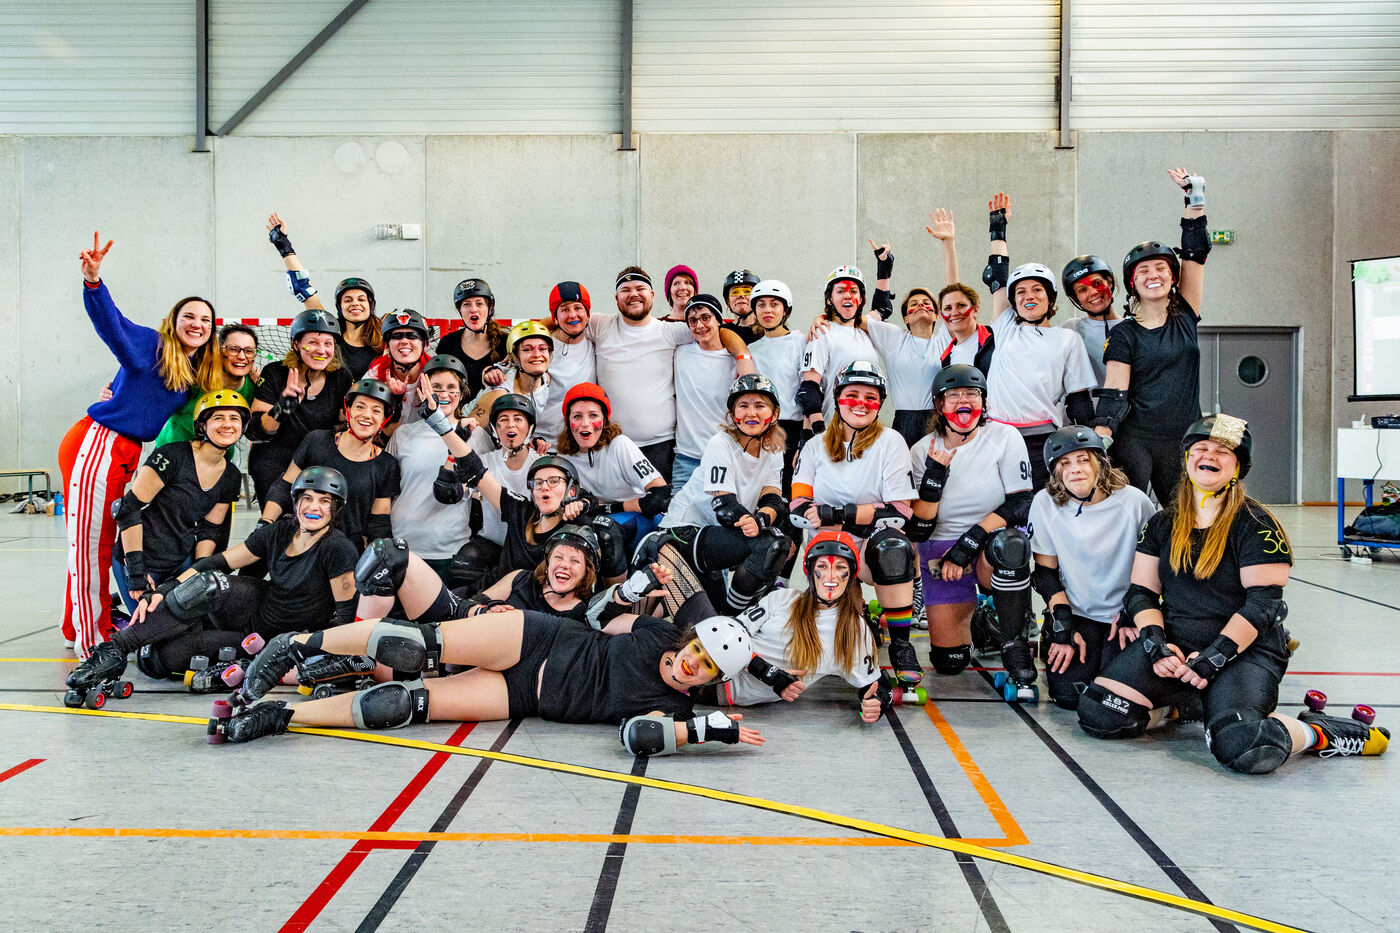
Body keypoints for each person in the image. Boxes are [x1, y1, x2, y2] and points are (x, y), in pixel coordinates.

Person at [1078, 415, 1391, 772]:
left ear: (1238, 466)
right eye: (1201, 449)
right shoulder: (1162, 523)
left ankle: (1319, 732)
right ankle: (1184, 705)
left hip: (1242, 651)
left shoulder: (1256, 525)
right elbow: (1141, 593)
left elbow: (1263, 606)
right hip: (1179, 646)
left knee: (1245, 746)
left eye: (1222, 452)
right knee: (1100, 711)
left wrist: (1213, 658)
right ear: (1187, 459)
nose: (1209, 456)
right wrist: (1156, 645)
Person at [212, 609, 767, 760]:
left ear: (713, 680)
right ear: (689, 639)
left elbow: (635, 739)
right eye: (696, 649)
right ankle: (299, 644)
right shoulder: (660, 632)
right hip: (538, 639)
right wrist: (625, 594)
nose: (691, 664)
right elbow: (601, 617)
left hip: (525, 698)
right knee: (417, 645)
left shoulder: (672, 708)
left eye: (705, 667)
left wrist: (704, 732)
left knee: (402, 705)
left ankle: (278, 717)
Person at [59, 232, 221, 657]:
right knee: (93, 545)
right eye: (189, 316)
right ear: (174, 320)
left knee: (97, 540)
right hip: (101, 442)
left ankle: (75, 625)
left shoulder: (189, 372)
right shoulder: (153, 344)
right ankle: (94, 642)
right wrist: (93, 282)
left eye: (205, 320)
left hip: (125, 450)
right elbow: (112, 326)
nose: (197, 324)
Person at [65, 466, 359, 693]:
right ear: (295, 502)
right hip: (257, 606)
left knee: (156, 659)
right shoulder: (281, 532)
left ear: (336, 508)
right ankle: (114, 650)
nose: (313, 507)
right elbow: (217, 562)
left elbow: (344, 619)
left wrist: (309, 658)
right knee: (208, 583)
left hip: (274, 638)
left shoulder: (338, 548)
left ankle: (237, 658)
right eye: (307, 498)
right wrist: (165, 589)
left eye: (324, 501)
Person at [907, 365, 1035, 697]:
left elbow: (1021, 502)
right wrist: (935, 477)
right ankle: (984, 622)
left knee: (1011, 544)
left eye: (972, 393)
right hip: (941, 550)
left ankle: (1013, 641)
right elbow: (919, 527)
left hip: (989, 542)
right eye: (953, 395)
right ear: (940, 405)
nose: (963, 400)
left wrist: (970, 541)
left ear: (983, 401)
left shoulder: (1004, 437)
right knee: (949, 662)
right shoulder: (922, 450)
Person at [791, 361, 920, 685]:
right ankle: (862, 620)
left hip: (871, 549)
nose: (861, 403)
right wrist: (858, 518)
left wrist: (836, 516)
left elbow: (899, 512)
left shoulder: (890, 441)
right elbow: (798, 507)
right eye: (852, 395)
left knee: (893, 546)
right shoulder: (815, 445)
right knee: (841, 650)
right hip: (831, 547)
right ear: (838, 398)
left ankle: (901, 647)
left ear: (880, 403)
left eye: (870, 397)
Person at [1095, 169, 1212, 503]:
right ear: (1133, 284)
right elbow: (1114, 392)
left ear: (1173, 278)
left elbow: (1195, 254)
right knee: (1130, 513)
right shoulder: (1124, 333)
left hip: (1184, 437)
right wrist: (1099, 439)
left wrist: (1194, 198)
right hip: (1136, 439)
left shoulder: (1185, 315)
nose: (1153, 275)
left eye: (1161, 268)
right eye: (1143, 271)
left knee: (1185, 515)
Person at [1029, 425, 1155, 709]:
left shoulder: (1135, 502)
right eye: (1065, 463)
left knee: (1113, 698)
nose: (1075, 469)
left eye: (1083, 460)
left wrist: (1133, 614)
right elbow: (1045, 574)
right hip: (1078, 614)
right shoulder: (1045, 503)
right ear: (1056, 472)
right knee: (1068, 696)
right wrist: (1062, 628)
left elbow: (1154, 571)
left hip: (1123, 614)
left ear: (1101, 464)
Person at [979, 193, 1097, 489]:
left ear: (1050, 298)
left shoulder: (1067, 339)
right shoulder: (1005, 325)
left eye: (1036, 290)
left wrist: (1093, 445)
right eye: (1021, 292)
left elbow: (1079, 401)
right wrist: (998, 228)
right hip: (996, 434)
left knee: (1042, 502)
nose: (1028, 296)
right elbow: (998, 275)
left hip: (1042, 437)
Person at [590, 266, 750, 483]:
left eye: (640, 288)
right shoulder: (600, 325)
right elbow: (560, 319)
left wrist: (742, 356)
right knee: (617, 501)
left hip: (660, 446)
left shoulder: (670, 331)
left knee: (662, 504)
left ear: (652, 295)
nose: (633, 294)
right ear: (616, 298)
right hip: (611, 443)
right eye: (625, 290)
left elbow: (715, 329)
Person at [716, 531, 891, 722]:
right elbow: (725, 635)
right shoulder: (783, 598)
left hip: (721, 693)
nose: (830, 576)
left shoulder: (853, 629)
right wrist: (765, 671)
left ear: (850, 576)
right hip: (712, 664)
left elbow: (875, 684)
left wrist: (877, 702)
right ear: (810, 570)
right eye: (822, 566)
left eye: (840, 567)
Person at [657, 374, 790, 612]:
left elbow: (773, 501)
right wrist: (752, 522)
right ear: (732, 414)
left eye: (760, 406)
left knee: (777, 541)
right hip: (684, 532)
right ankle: (734, 616)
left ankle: (733, 615)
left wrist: (760, 519)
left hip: (715, 533)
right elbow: (724, 507)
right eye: (743, 406)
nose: (751, 413)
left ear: (775, 414)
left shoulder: (774, 449)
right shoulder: (721, 443)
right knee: (768, 545)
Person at [111, 392, 247, 616]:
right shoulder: (172, 456)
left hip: (180, 560)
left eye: (234, 418)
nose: (227, 424)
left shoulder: (231, 476)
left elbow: (210, 530)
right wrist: (136, 572)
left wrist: (199, 571)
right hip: (142, 559)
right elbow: (127, 509)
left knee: (190, 625)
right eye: (218, 418)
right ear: (202, 425)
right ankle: (117, 614)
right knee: (151, 629)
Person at [354, 524, 641, 629]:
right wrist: (486, 610)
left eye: (575, 561)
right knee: (387, 555)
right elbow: (470, 603)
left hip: (475, 666)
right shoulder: (522, 578)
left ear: (587, 572)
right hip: (454, 628)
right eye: (559, 557)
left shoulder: (585, 614)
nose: (564, 565)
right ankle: (354, 651)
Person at [257, 377, 401, 550]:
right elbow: (284, 487)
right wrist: (265, 523)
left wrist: (379, 556)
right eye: (360, 407)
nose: (366, 415)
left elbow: (378, 524)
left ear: (384, 419)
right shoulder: (316, 441)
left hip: (346, 550)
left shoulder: (386, 465)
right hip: (302, 543)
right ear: (348, 410)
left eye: (376, 411)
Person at [246, 308, 353, 507]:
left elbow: (345, 420)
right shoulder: (275, 373)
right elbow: (254, 431)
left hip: (317, 463)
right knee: (280, 522)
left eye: (328, 344)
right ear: (296, 344)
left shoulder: (340, 377)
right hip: (273, 462)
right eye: (313, 342)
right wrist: (282, 408)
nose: (321, 350)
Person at [385, 357, 476, 582]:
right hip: (404, 542)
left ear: (462, 393)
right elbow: (386, 489)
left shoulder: (476, 435)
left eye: (451, 388)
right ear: (423, 391)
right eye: (436, 387)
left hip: (450, 546)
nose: (444, 394)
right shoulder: (404, 434)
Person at [556, 382, 671, 551]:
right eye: (577, 416)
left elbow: (660, 496)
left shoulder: (619, 445)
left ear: (604, 420)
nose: (585, 423)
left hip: (640, 519)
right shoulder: (565, 457)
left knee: (603, 533)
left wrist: (610, 509)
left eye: (593, 415)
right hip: (602, 519)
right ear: (568, 422)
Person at [264, 212, 381, 378]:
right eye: (348, 300)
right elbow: (302, 286)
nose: (355, 303)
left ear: (371, 305)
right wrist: (283, 244)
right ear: (339, 307)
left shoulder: (382, 340)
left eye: (361, 299)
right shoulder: (329, 332)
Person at [446, 393, 543, 592]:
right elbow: (450, 492)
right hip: (491, 544)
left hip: (527, 546)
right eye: (503, 420)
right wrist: (453, 449)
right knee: (465, 562)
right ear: (495, 428)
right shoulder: (485, 461)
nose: (510, 425)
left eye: (518, 419)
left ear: (530, 427)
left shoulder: (542, 465)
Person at [671, 294, 756, 488]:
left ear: (719, 320)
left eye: (706, 318)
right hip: (687, 458)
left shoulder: (738, 361)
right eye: (693, 320)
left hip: (728, 455)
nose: (700, 325)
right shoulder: (680, 353)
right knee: (677, 508)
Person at [797, 266, 879, 438]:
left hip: (868, 427)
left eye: (853, 291)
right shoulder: (822, 332)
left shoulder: (869, 331)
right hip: (834, 428)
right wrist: (816, 431)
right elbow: (809, 389)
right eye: (840, 291)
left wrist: (884, 263)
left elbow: (884, 307)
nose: (848, 295)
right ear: (829, 299)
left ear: (861, 298)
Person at [151, 324, 260, 451]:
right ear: (218, 351)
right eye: (233, 349)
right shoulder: (194, 378)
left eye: (249, 351)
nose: (241, 356)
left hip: (217, 458)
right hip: (172, 453)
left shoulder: (256, 389)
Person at [746, 280, 805, 493]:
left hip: (793, 428)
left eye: (774, 304)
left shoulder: (801, 341)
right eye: (761, 305)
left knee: (790, 490)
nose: (767, 310)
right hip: (761, 427)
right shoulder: (752, 349)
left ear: (785, 310)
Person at [470, 320, 554, 443]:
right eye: (527, 349)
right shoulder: (499, 393)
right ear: (515, 357)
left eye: (543, 348)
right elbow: (466, 434)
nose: (537, 354)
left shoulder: (545, 379)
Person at [434, 278, 508, 398]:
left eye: (479, 304)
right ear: (460, 310)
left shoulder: (505, 342)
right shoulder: (447, 343)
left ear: (489, 308)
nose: (473, 309)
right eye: (466, 304)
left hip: (495, 407)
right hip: (455, 408)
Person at [1060, 255, 1122, 387]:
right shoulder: (1070, 329)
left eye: (1097, 283)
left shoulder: (1132, 327)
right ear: (1076, 298)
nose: (1093, 292)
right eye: (1082, 290)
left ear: (1109, 283)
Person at [366, 308, 432, 428]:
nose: (404, 341)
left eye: (412, 336)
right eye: (397, 336)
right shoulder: (374, 375)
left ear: (426, 344)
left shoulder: (435, 374)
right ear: (387, 346)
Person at [933, 283, 994, 375]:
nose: (954, 313)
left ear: (975, 310)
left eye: (961, 305)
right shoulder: (945, 359)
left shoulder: (996, 337)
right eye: (948, 308)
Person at [721, 269, 761, 337]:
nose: (741, 295)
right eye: (735, 292)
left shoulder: (769, 330)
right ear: (728, 301)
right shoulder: (720, 333)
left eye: (747, 291)